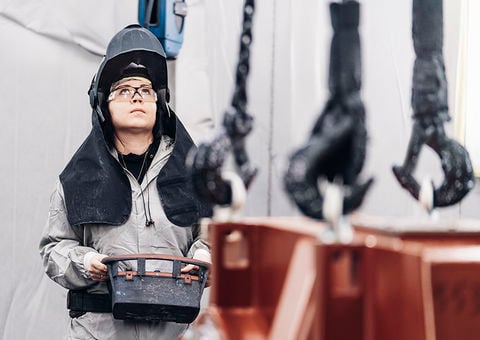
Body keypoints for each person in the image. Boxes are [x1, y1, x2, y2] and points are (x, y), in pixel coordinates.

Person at [39, 24, 211, 339]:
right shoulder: (77, 178)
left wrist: (204, 257)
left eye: (145, 90)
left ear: (159, 103)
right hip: (98, 333)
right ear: (103, 104)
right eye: (124, 90)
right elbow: (53, 249)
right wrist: (85, 261)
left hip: (173, 334)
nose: (136, 97)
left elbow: (215, 237)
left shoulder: (193, 173)